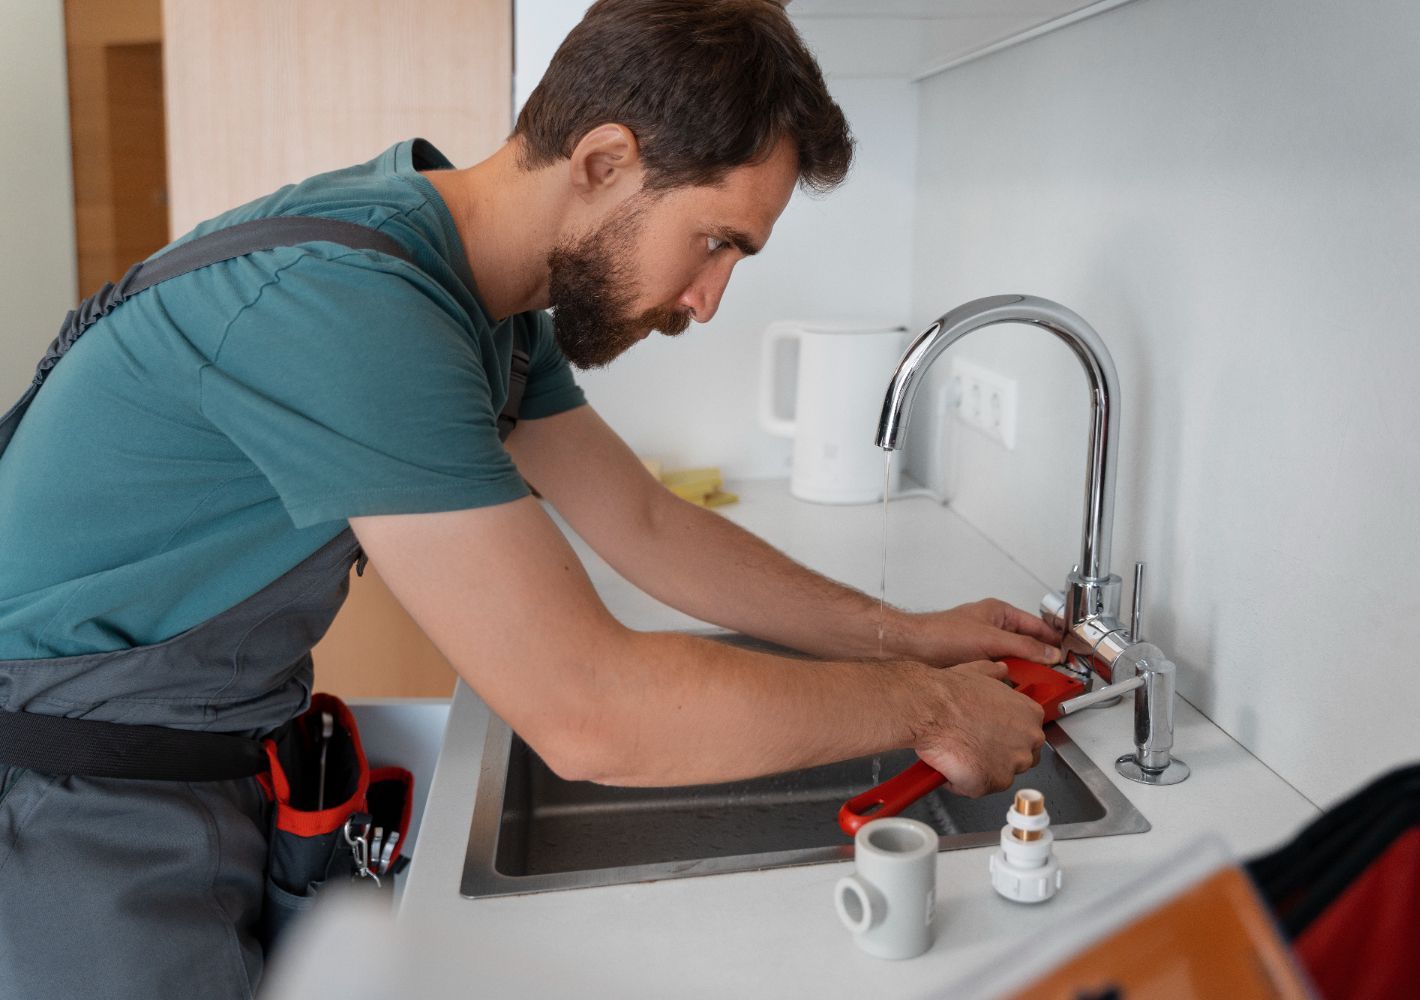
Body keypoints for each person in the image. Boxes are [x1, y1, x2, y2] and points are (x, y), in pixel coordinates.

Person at [0, 1, 1057, 996]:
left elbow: (646, 525)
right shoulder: (355, 309)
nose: (708, 297)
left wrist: (906, 635)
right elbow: (587, 709)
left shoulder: (470, 303)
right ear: (604, 160)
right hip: (68, 809)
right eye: (717, 240)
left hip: (184, 774)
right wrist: (930, 706)